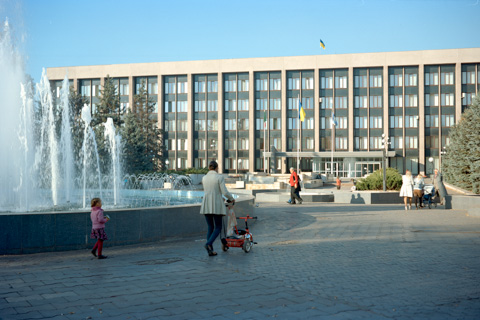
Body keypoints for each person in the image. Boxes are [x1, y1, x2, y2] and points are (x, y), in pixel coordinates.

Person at [200, 161, 235, 256]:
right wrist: (231, 198)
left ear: (209, 167)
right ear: (217, 168)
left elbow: (210, 191)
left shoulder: (204, 178)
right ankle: (208, 244)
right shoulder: (219, 177)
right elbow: (224, 192)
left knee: (210, 227)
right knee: (218, 227)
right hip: (216, 205)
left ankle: (210, 250)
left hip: (206, 203)